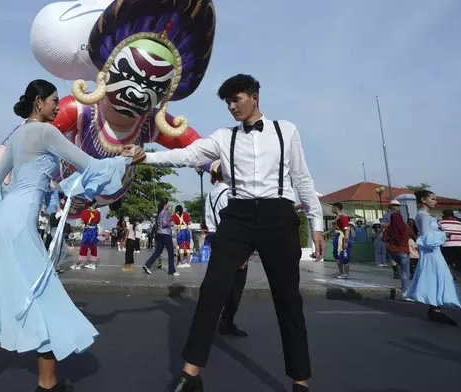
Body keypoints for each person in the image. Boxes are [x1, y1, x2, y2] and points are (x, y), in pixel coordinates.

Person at [0, 79, 129, 392]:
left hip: (3, 219)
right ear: (38, 101)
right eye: (54, 100)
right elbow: (89, 165)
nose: (58, 105)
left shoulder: (17, 136)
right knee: (42, 296)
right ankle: (48, 384)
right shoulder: (47, 132)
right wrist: (124, 159)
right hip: (19, 223)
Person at [124, 74, 325, 392]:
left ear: (254, 96)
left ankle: (300, 381)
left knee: (288, 300)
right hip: (238, 216)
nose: (231, 106)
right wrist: (146, 156)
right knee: (211, 292)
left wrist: (316, 223)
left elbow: (302, 177)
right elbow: (187, 155)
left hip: (278, 215)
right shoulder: (222, 137)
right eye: (227, 102)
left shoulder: (286, 131)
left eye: (236, 99)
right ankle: (190, 374)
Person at [404, 190, 461, 326]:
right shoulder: (423, 216)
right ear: (423, 200)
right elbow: (426, 238)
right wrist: (443, 235)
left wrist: (441, 234)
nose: (435, 201)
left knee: (437, 277)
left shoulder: (425, 215)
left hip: (434, 251)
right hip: (431, 252)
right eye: (432, 199)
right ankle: (435, 309)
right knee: (435, 277)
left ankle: (435, 308)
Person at [204, 161, 248, 337]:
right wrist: (242, 253)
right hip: (231, 241)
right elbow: (235, 224)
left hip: (216, 239)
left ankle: (210, 321)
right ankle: (226, 322)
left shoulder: (211, 195)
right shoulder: (229, 195)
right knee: (235, 287)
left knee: (219, 283)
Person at [142, 199, 178, 276]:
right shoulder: (165, 212)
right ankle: (171, 271)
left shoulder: (160, 213)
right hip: (166, 234)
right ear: (165, 204)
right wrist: (171, 223)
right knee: (171, 252)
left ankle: (147, 265)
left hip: (159, 234)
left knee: (158, 251)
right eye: (168, 203)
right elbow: (164, 224)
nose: (170, 204)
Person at [386, 208, 414, 297]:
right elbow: (415, 238)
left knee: (399, 265)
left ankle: (396, 273)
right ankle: (405, 292)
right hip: (404, 252)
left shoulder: (389, 228)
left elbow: (384, 239)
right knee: (405, 272)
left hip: (392, 252)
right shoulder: (407, 229)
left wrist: (391, 240)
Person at [74, 201, 100, 270]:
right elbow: (97, 221)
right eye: (96, 203)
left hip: (87, 230)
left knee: (84, 245)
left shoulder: (84, 212)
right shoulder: (98, 213)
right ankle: (93, 263)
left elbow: (82, 221)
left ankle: (79, 262)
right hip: (94, 231)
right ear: (93, 204)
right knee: (93, 246)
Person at [331, 203, 352, 279]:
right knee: (337, 256)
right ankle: (340, 272)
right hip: (337, 238)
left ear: (336, 208)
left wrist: (345, 241)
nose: (331, 209)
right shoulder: (337, 218)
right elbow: (334, 230)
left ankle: (347, 274)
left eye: (332, 207)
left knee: (345, 256)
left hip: (342, 238)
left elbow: (346, 230)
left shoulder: (343, 217)